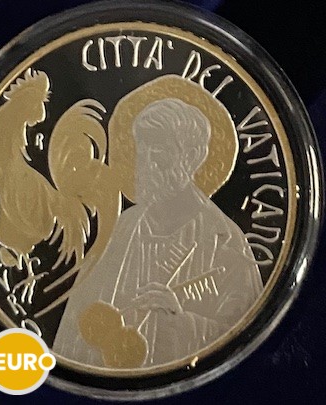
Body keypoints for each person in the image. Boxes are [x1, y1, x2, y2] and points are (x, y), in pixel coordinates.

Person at [53, 97, 263, 369]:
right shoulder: (124, 227)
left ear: (191, 157)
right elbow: (73, 332)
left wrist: (178, 321)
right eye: (143, 149)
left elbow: (244, 339)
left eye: (160, 149)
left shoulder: (224, 241)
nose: (147, 162)